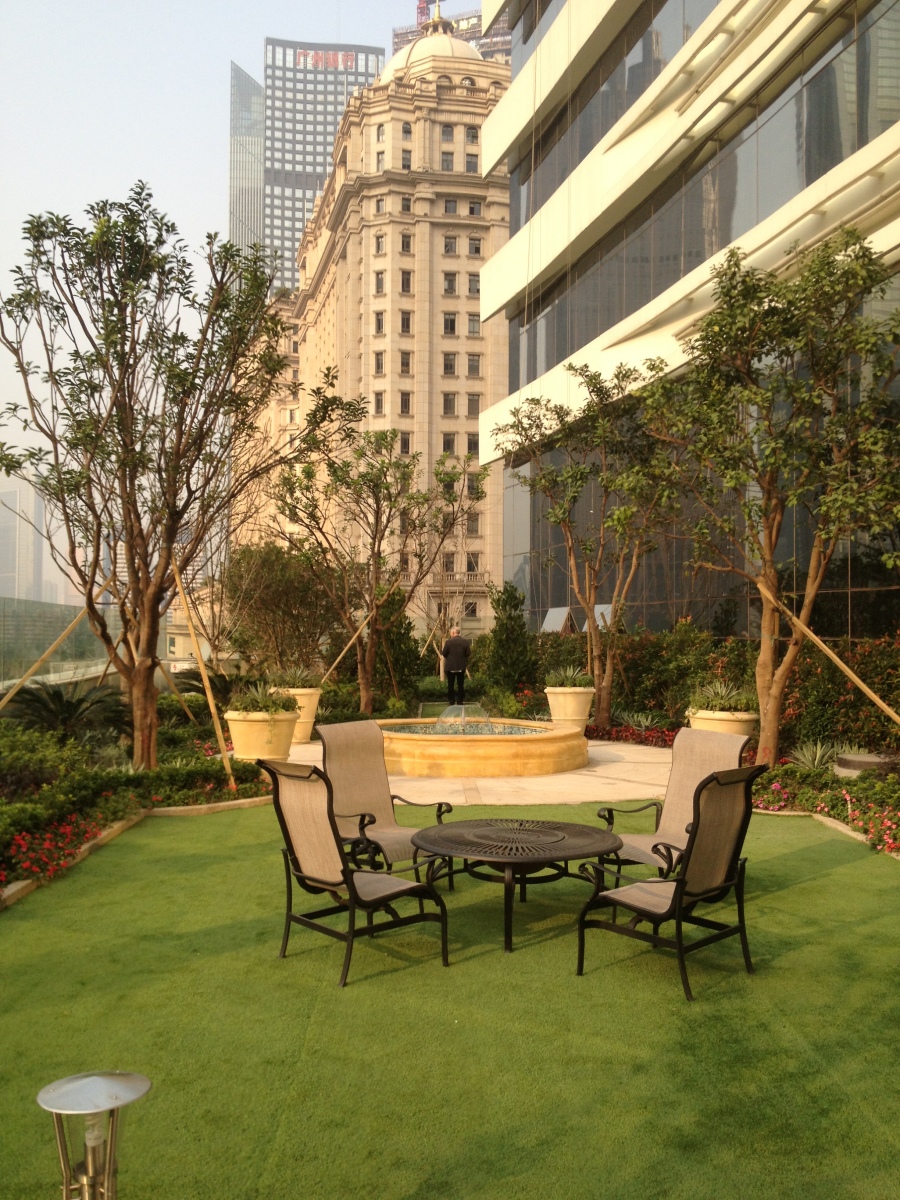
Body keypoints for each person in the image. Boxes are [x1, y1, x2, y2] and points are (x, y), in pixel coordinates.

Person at [441, 626, 471, 706]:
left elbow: (444, 653)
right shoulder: (465, 641)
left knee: (450, 684)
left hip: (450, 666)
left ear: (453, 633)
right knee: (460, 684)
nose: (450, 634)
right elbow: (468, 653)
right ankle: (460, 701)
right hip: (461, 666)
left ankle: (451, 701)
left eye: (451, 633)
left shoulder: (448, 642)